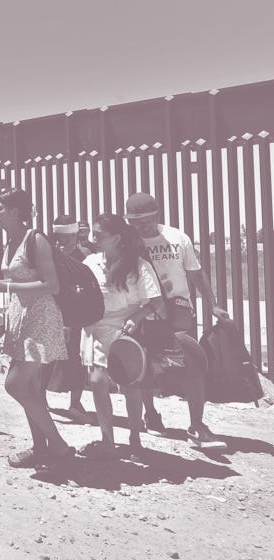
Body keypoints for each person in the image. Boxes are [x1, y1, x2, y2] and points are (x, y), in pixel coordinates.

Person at [125, 192, 229, 448]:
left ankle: (196, 426)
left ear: (156, 215)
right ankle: (150, 414)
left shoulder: (176, 237)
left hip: (178, 309)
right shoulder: (127, 243)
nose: (142, 226)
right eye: (136, 222)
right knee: (145, 366)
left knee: (191, 364)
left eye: (147, 220)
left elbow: (195, 272)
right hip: (143, 311)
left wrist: (213, 304)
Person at [0, 188, 74, 468]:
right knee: (32, 388)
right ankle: (41, 448)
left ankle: (58, 446)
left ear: (14, 211)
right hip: (21, 319)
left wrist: (6, 286)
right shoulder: (11, 242)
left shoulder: (35, 239)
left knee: (15, 384)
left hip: (40, 318)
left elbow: (52, 285)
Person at [79, 214, 164, 459]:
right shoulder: (91, 262)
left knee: (129, 386)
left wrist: (136, 318)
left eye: (99, 235)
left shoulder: (138, 265)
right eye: (92, 233)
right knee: (97, 383)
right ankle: (107, 440)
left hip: (126, 331)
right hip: (96, 328)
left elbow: (156, 301)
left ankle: (135, 438)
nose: (93, 239)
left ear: (116, 238)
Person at [47, 214, 89, 423]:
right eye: (59, 238)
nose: (63, 242)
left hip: (78, 314)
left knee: (77, 359)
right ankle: (40, 398)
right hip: (54, 311)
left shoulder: (85, 256)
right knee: (47, 357)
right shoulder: (50, 256)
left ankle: (75, 403)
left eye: (68, 238)